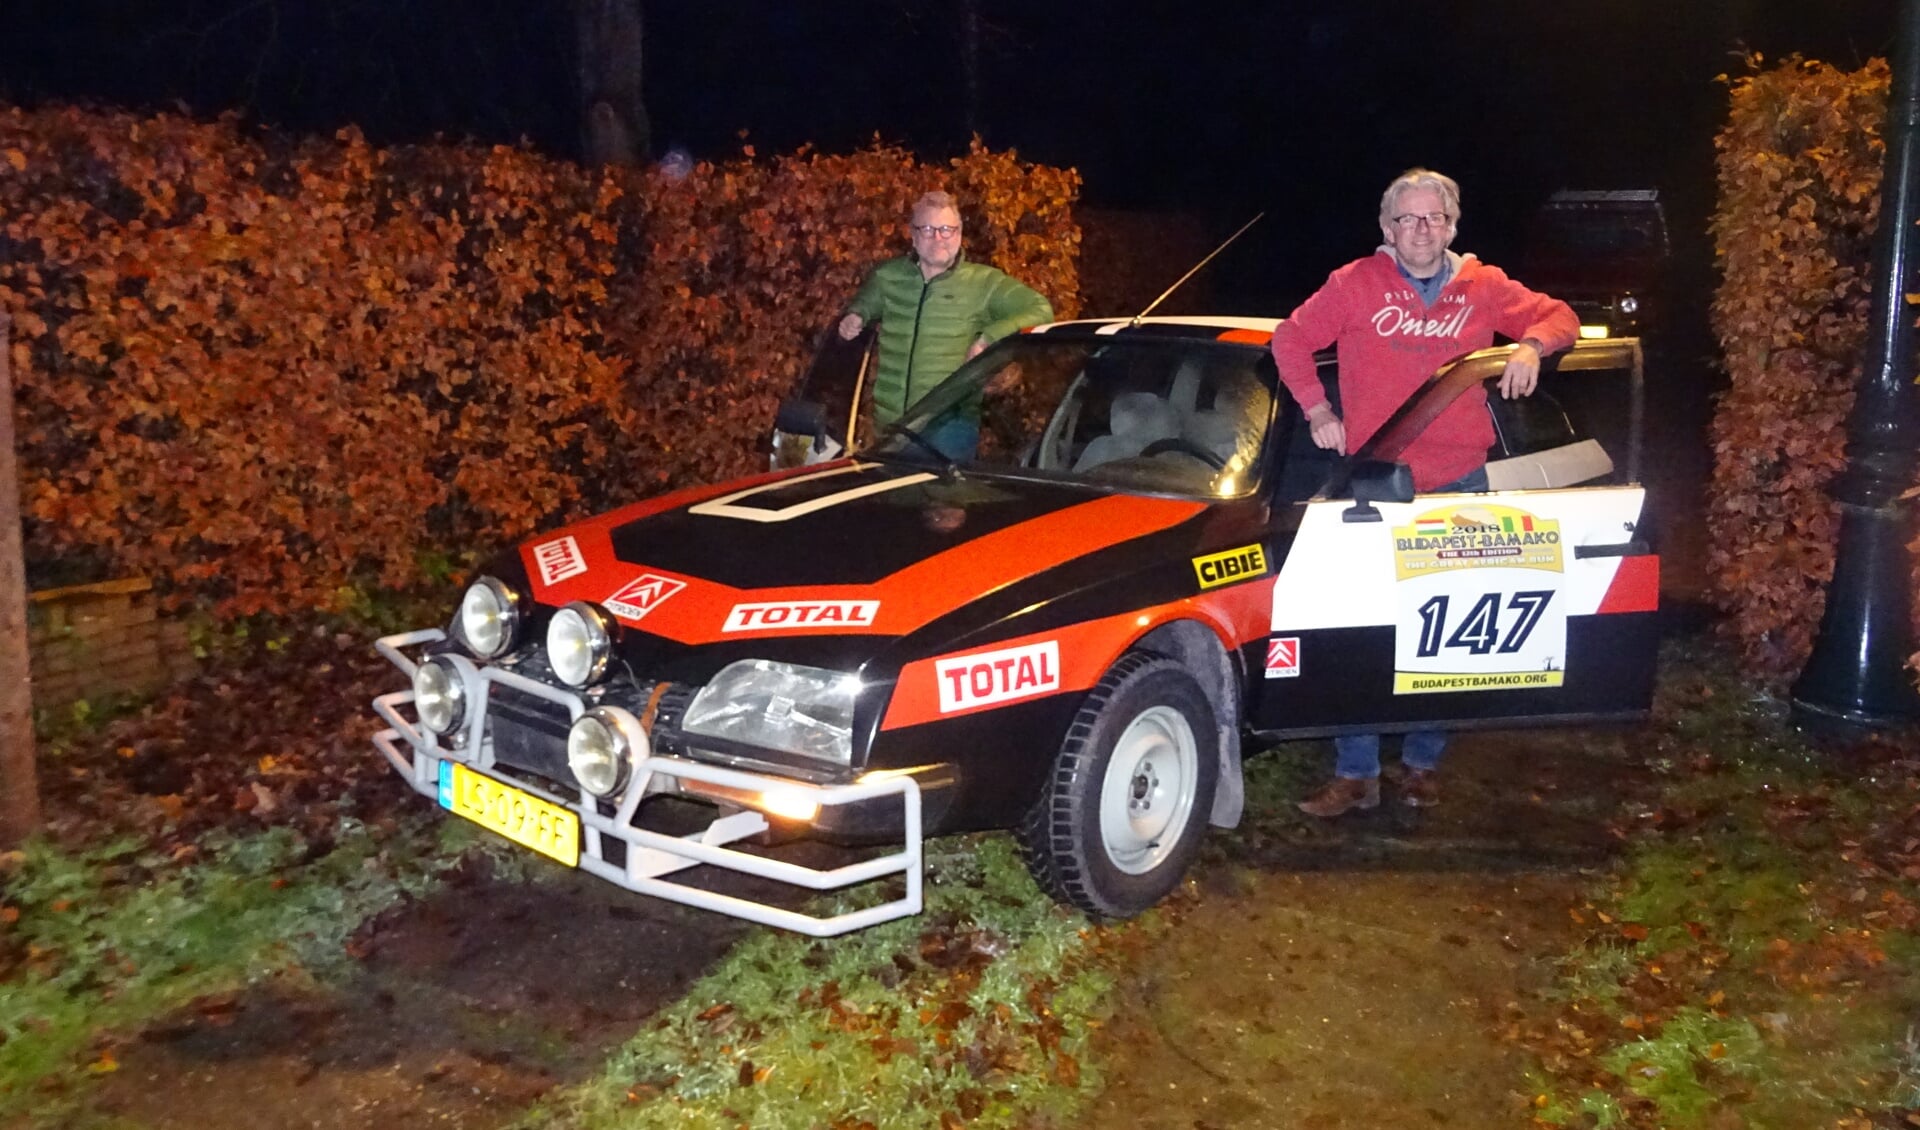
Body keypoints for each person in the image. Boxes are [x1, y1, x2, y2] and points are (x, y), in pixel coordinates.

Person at [1270, 168, 1577, 818]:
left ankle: (1420, 765)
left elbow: (1561, 317)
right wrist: (1320, 412)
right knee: (1360, 629)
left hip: (1460, 486)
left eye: (1433, 218)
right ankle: (1356, 773)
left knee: (1447, 636)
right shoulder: (1353, 285)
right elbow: (1290, 339)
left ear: (1451, 226)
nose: (1420, 229)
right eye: (1407, 219)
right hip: (1375, 484)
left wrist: (1529, 346)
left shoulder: (1484, 286)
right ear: (1387, 229)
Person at [839, 191, 1054, 458]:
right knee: (891, 499)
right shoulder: (887, 277)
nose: (938, 238)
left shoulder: (984, 283)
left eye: (946, 230)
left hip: (948, 429)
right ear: (914, 235)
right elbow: (867, 301)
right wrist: (856, 316)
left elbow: (1041, 309)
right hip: (891, 428)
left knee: (941, 501)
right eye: (928, 229)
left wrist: (988, 338)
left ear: (959, 234)